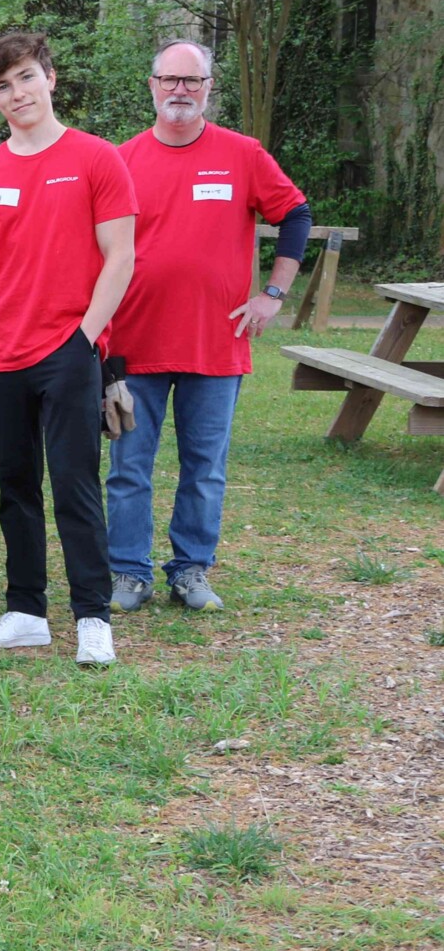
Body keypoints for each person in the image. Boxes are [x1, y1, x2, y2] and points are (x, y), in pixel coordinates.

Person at [0, 31, 136, 667]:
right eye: (2, 87)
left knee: (76, 486)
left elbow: (120, 256)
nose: (16, 94)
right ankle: (26, 611)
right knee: (17, 486)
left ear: (49, 77)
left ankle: (92, 618)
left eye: (25, 77)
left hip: (69, 350)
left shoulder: (97, 158)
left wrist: (84, 339)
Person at [106, 40, 309, 614]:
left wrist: (273, 293)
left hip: (216, 344)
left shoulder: (242, 154)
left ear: (208, 88)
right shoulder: (119, 160)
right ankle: (128, 572)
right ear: (151, 85)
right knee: (128, 468)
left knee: (205, 469)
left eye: (191, 81)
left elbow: (294, 214)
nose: (179, 90)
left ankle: (190, 570)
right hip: (132, 343)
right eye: (169, 79)